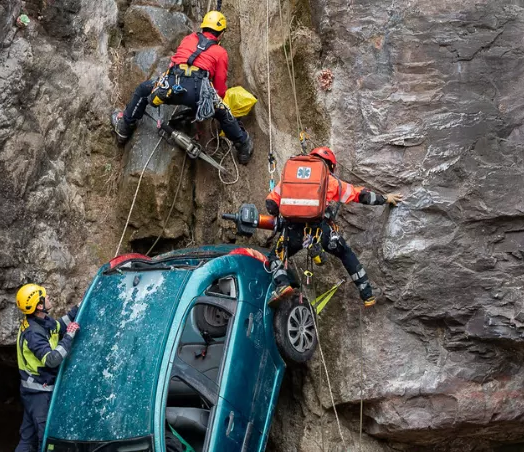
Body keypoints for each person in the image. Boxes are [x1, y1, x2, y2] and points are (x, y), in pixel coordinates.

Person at [263, 146, 402, 307]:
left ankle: (282, 284)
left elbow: (271, 204)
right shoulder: (329, 180)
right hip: (320, 231)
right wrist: (385, 198)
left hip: (292, 232)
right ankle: (367, 294)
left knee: (275, 256)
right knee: (345, 253)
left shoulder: (290, 177)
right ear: (330, 165)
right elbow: (359, 195)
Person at [112, 11, 254, 165]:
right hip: (198, 92)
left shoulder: (189, 39)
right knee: (223, 112)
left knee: (142, 90)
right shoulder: (220, 53)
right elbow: (220, 88)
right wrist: (212, 102)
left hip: (172, 86)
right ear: (220, 34)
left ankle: (124, 127)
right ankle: (243, 145)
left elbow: (173, 63)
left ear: (203, 27)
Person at [8, 283, 79, 452]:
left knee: (27, 437)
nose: (49, 298)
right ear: (38, 305)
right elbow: (52, 359)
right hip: (39, 394)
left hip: (31, 392)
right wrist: (69, 338)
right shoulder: (33, 334)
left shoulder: (39, 321)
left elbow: (58, 325)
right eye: (45, 297)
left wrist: (80, 307)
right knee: (44, 441)